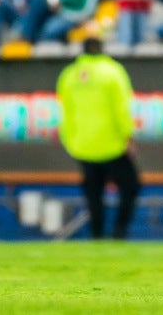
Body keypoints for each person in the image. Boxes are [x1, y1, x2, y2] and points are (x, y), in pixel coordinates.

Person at [56, 36, 141, 239]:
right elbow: (121, 108)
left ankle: (97, 235)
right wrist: (127, 136)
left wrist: (70, 140)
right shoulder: (113, 72)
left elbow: (65, 111)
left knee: (93, 193)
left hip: (82, 144)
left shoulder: (69, 75)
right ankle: (119, 231)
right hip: (112, 144)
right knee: (130, 187)